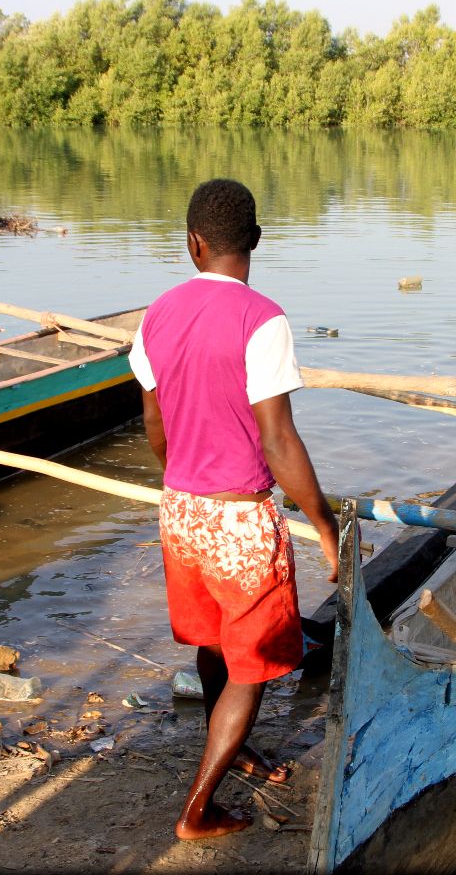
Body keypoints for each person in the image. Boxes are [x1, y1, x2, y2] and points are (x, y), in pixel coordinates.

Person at [129, 178, 339, 840]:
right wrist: (325, 525)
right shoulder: (262, 319)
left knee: (214, 638)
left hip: (180, 509)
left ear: (193, 244)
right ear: (254, 240)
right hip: (241, 521)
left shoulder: (157, 312)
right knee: (251, 668)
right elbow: (278, 439)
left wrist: (183, 481)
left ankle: (236, 746)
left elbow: (155, 425)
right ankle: (198, 808)